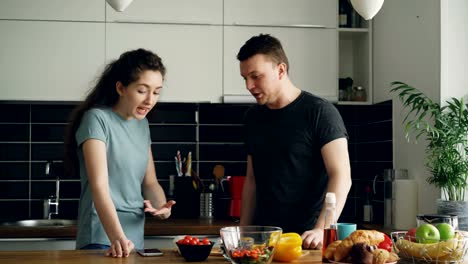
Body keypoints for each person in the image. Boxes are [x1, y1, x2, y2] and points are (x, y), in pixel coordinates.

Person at [237, 34, 352, 249]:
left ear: (281, 70)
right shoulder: (252, 117)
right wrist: (243, 232)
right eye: (245, 78)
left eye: (255, 76)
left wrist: (322, 229)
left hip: (306, 241)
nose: (249, 86)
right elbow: (252, 180)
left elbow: (342, 176)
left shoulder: (320, 112)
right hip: (263, 242)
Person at [64, 48, 176, 257]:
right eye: (142, 90)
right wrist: (117, 237)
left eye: (156, 91)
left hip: (134, 239)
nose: (150, 100)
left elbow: (150, 183)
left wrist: (162, 207)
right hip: (101, 238)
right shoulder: (96, 120)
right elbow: (99, 186)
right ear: (121, 88)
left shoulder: (142, 126)